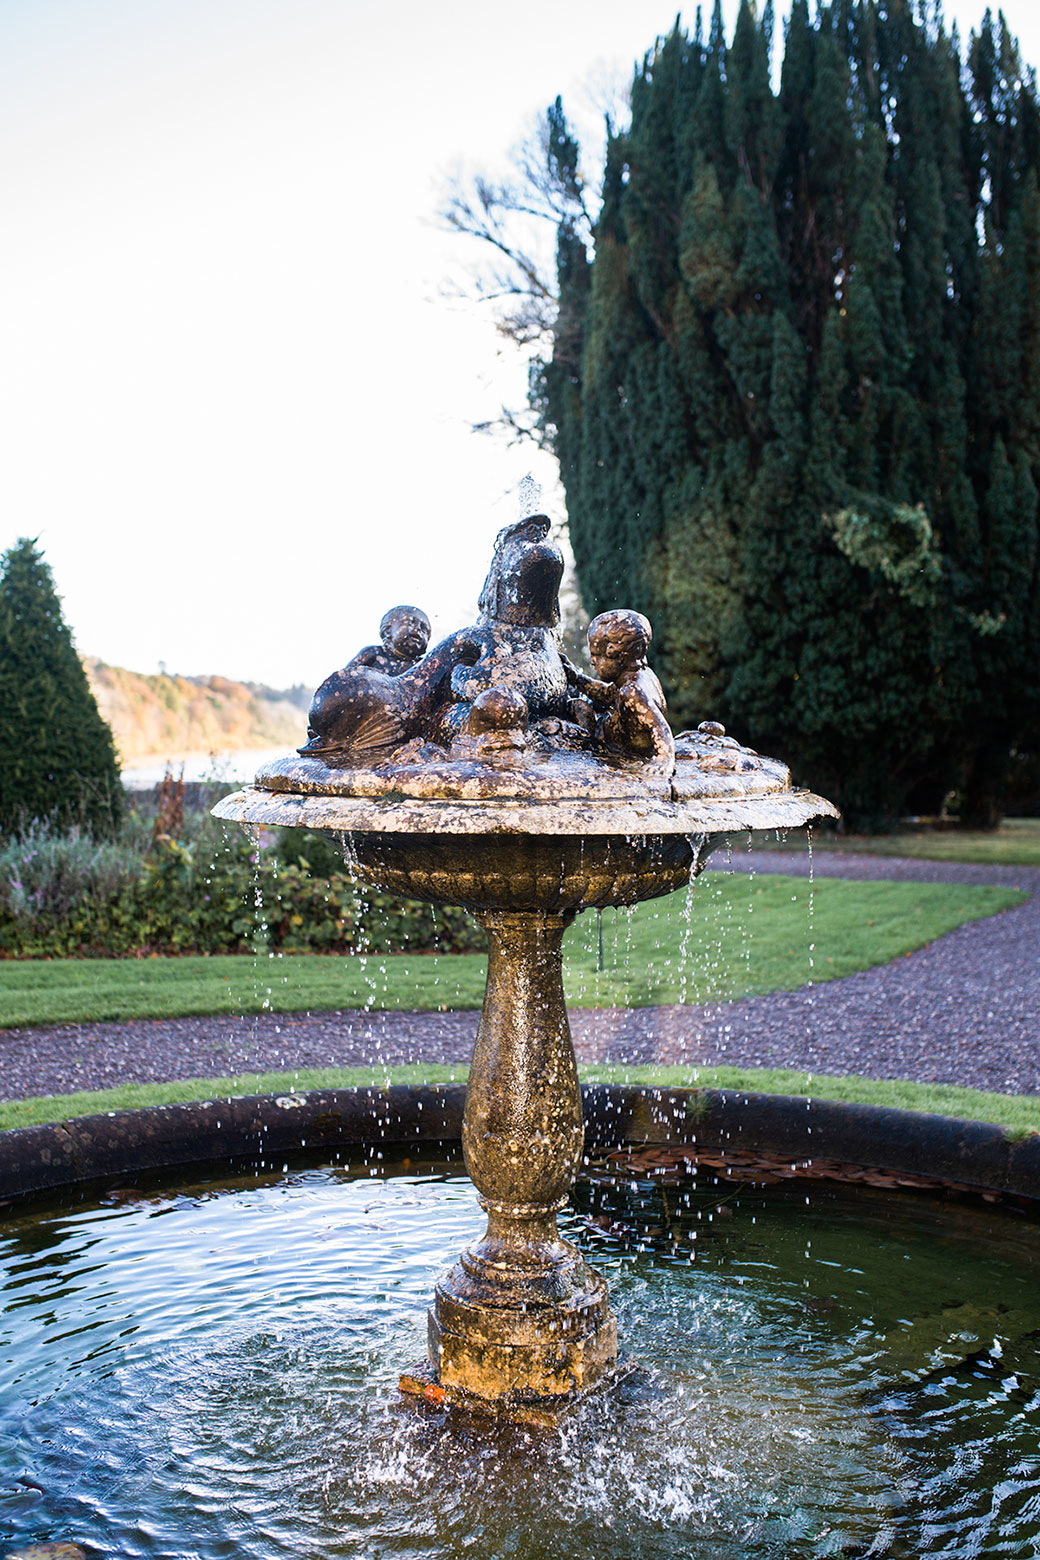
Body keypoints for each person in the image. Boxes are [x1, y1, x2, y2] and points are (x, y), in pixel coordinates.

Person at [585, 609, 675, 771]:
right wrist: (576, 678)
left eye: (597, 656)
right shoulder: (642, 675)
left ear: (619, 655)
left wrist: (664, 758)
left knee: (578, 708)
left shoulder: (632, 691)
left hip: (616, 748)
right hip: (620, 741)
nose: (593, 662)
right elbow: (606, 694)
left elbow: (660, 727)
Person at [348, 605, 431, 676]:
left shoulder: (424, 665)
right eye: (410, 623)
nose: (418, 629)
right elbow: (346, 678)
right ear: (387, 631)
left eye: (424, 629)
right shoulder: (374, 653)